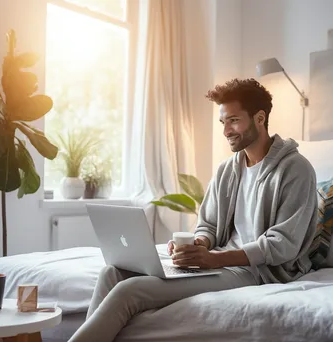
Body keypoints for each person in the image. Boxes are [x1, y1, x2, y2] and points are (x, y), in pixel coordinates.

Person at [68, 78, 318, 342]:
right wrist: (198, 244)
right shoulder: (227, 170)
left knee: (129, 292)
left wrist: (214, 260)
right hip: (217, 261)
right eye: (223, 122)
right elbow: (208, 225)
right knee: (112, 273)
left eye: (233, 120)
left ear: (259, 118)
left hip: (256, 271)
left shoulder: (296, 169)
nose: (226, 131)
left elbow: (283, 244)